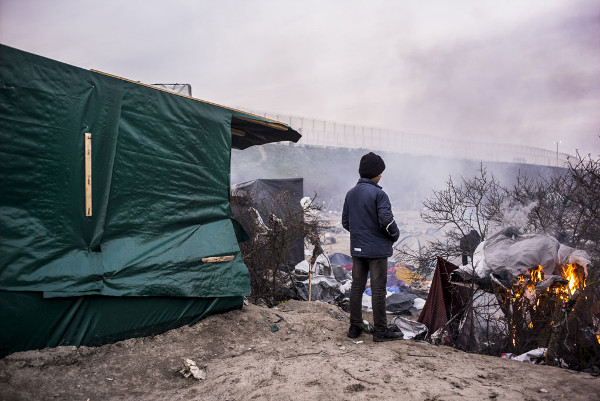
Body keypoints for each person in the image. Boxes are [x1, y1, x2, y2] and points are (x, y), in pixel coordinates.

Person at [342, 152, 402, 342]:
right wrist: (394, 235)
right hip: (377, 251)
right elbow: (386, 221)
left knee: (356, 288)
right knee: (378, 290)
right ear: (374, 174)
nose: (381, 176)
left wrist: (360, 234)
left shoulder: (350, 194)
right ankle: (380, 331)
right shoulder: (379, 194)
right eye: (380, 172)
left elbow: (345, 222)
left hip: (357, 249)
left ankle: (355, 327)